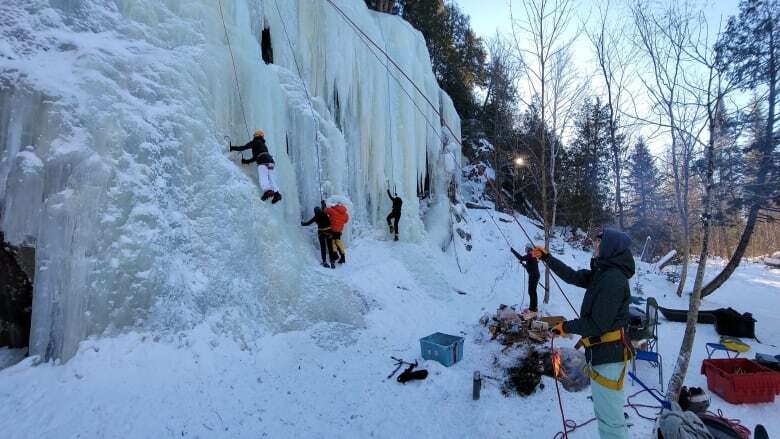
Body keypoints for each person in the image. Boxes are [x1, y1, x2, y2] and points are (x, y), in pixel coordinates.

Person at [532, 228, 634, 439]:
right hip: (601, 355)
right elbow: (572, 276)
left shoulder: (613, 279)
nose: (594, 247)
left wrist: (565, 327)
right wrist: (547, 258)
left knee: (611, 421)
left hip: (609, 357)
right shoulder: (603, 273)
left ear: (609, 248)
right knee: (605, 415)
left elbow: (597, 324)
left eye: (598, 244)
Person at [230, 130, 282, 203]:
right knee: (270, 178)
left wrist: (232, 148)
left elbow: (243, 147)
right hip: (270, 161)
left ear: (256, 136)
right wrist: (247, 161)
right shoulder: (263, 145)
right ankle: (277, 194)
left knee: (263, 178)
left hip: (263, 162)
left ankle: (268, 191)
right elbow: (255, 157)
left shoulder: (255, 142)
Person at [301, 202, 337, 269]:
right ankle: (332, 262)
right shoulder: (324, 213)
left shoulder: (316, 217)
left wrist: (301, 223)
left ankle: (324, 262)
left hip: (321, 233)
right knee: (330, 247)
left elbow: (307, 223)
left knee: (323, 247)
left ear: (315, 212)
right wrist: (323, 203)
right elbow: (324, 207)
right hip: (329, 232)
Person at [510, 243, 540, 317]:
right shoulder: (532, 255)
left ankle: (533, 308)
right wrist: (523, 264)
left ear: (528, 248)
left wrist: (513, 251)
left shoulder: (531, 254)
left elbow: (521, 257)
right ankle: (533, 308)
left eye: (526, 248)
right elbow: (529, 266)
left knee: (532, 291)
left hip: (533, 276)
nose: (525, 249)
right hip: (534, 275)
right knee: (532, 291)